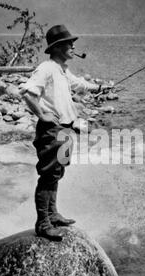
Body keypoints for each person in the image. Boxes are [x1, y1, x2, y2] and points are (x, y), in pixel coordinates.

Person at [20, 25, 112, 241]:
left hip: (65, 129)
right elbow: (27, 92)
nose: (73, 46)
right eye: (69, 43)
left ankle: (52, 214)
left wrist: (99, 88)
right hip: (52, 130)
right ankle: (43, 223)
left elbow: (79, 83)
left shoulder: (61, 69)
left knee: (57, 173)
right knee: (48, 175)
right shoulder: (46, 68)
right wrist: (42, 115)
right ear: (58, 47)